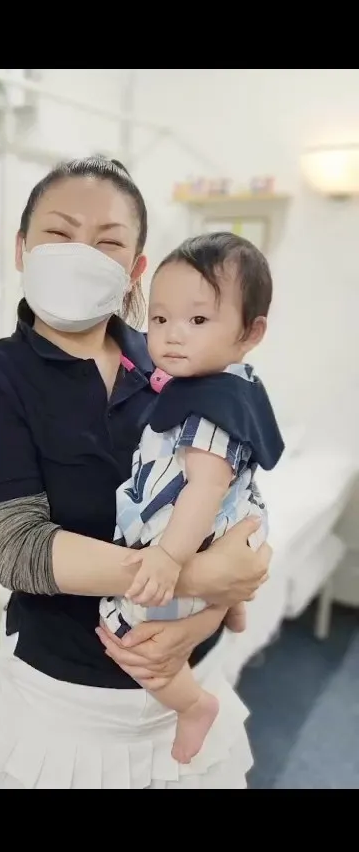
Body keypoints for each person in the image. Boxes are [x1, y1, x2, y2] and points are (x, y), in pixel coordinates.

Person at [0, 157, 271, 790]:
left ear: (136, 268)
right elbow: (18, 551)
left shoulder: (178, 359)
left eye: (108, 242)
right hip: (64, 703)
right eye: (59, 233)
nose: (80, 254)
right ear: (21, 248)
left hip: (190, 685)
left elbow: (236, 496)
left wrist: (206, 616)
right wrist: (203, 575)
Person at [99, 232, 284, 765]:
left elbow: (204, 488)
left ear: (251, 332)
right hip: (236, 522)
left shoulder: (208, 410)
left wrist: (166, 557)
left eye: (198, 320)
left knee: (121, 626)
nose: (173, 335)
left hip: (196, 533)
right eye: (160, 319)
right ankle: (231, 604)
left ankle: (192, 704)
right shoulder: (230, 383)